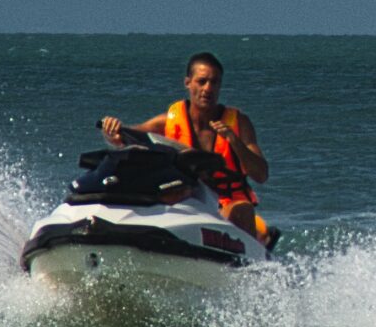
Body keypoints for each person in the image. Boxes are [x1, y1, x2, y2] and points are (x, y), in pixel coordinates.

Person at [101, 52, 272, 241]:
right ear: (188, 83)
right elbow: (127, 135)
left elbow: (261, 174)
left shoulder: (239, 123)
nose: (208, 88)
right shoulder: (168, 121)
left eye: (214, 83)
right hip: (185, 199)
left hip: (226, 204)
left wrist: (234, 140)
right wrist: (112, 132)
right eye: (202, 81)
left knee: (243, 209)